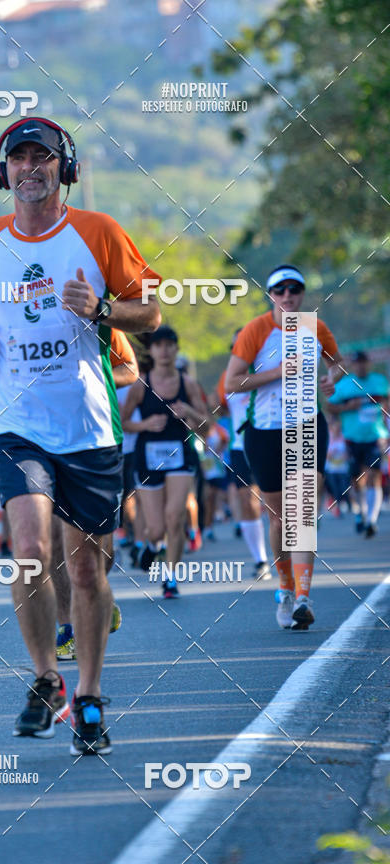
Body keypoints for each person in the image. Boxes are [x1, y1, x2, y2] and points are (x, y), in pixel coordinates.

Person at [0, 117, 160, 755]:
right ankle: (46, 680)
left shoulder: (97, 232)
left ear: (64, 168)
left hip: (90, 427)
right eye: (18, 160)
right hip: (17, 424)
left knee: (89, 572)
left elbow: (150, 311)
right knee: (29, 547)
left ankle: (90, 696)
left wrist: (100, 308)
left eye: (43, 158)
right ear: (3, 172)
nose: (30, 169)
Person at [225, 264, 343, 630]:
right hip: (264, 432)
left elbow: (337, 361)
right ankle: (286, 588)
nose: (288, 297)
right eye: (280, 291)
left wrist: (329, 379)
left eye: (294, 290)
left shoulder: (314, 327)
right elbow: (233, 381)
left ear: (302, 293)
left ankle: (304, 597)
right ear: (270, 294)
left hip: (307, 424)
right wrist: (279, 371)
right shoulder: (255, 331)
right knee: (279, 518)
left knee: (303, 512)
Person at [55, 328, 138, 660]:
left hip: (98, 437)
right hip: (42, 439)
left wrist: (86, 378)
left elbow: (130, 369)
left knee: (98, 541)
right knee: (52, 537)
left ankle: (100, 593)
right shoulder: (21, 317)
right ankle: (67, 627)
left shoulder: (99, 319)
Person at [121, 325, 209, 598]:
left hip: (180, 456)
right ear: (153, 350)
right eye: (159, 345)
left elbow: (207, 426)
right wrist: (145, 423)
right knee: (157, 527)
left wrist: (190, 411)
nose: (165, 350)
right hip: (148, 459)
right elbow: (122, 423)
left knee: (175, 517)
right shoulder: (141, 384)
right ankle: (150, 545)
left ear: (176, 348)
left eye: (170, 345)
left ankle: (171, 578)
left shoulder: (188, 384)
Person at [216, 331, 271, 580]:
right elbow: (222, 407)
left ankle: (288, 554)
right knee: (248, 501)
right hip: (240, 446)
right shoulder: (225, 378)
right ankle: (261, 559)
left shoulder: (270, 371)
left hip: (271, 443)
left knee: (275, 504)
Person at [327, 351, 389, 537]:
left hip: (375, 437)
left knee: (374, 476)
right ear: (353, 366)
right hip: (352, 438)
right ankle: (360, 513)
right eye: (357, 364)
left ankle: (371, 520)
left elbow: (387, 404)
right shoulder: (345, 385)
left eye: (364, 363)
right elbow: (329, 406)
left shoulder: (379, 381)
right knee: (357, 480)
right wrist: (347, 407)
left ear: (369, 364)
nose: (361, 366)